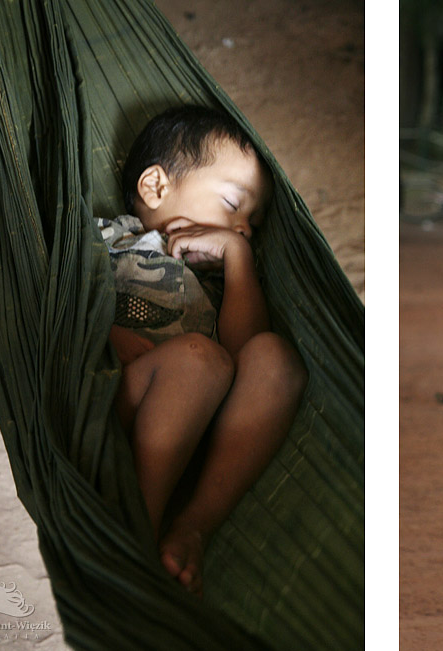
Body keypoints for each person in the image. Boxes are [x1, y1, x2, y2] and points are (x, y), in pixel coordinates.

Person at [100, 104, 308, 595]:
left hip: (210, 429)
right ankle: (141, 533)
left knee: (275, 358)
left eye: (254, 221)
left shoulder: (218, 281)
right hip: (122, 401)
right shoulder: (108, 241)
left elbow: (244, 356)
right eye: (234, 204)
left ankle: (194, 525)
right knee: (198, 359)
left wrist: (237, 260)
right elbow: (61, 305)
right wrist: (105, 334)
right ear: (155, 187)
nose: (245, 227)